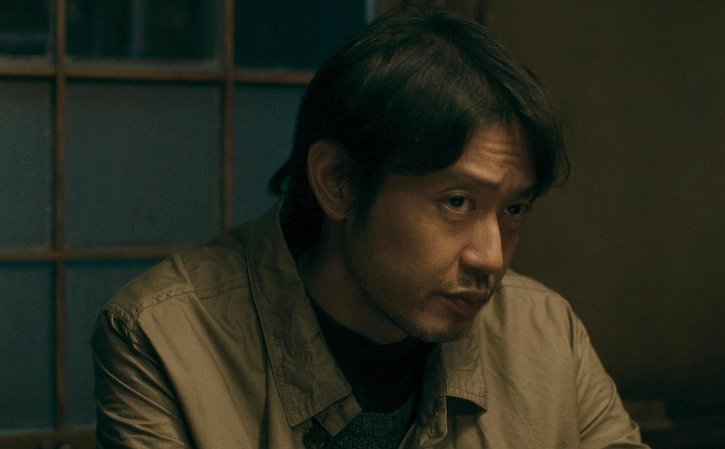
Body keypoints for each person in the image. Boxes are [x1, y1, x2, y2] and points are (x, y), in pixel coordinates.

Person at [92, 8, 649, 449]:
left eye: (514, 210)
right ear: (338, 182)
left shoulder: (546, 333)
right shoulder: (164, 337)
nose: (491, 257)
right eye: (457, 202)